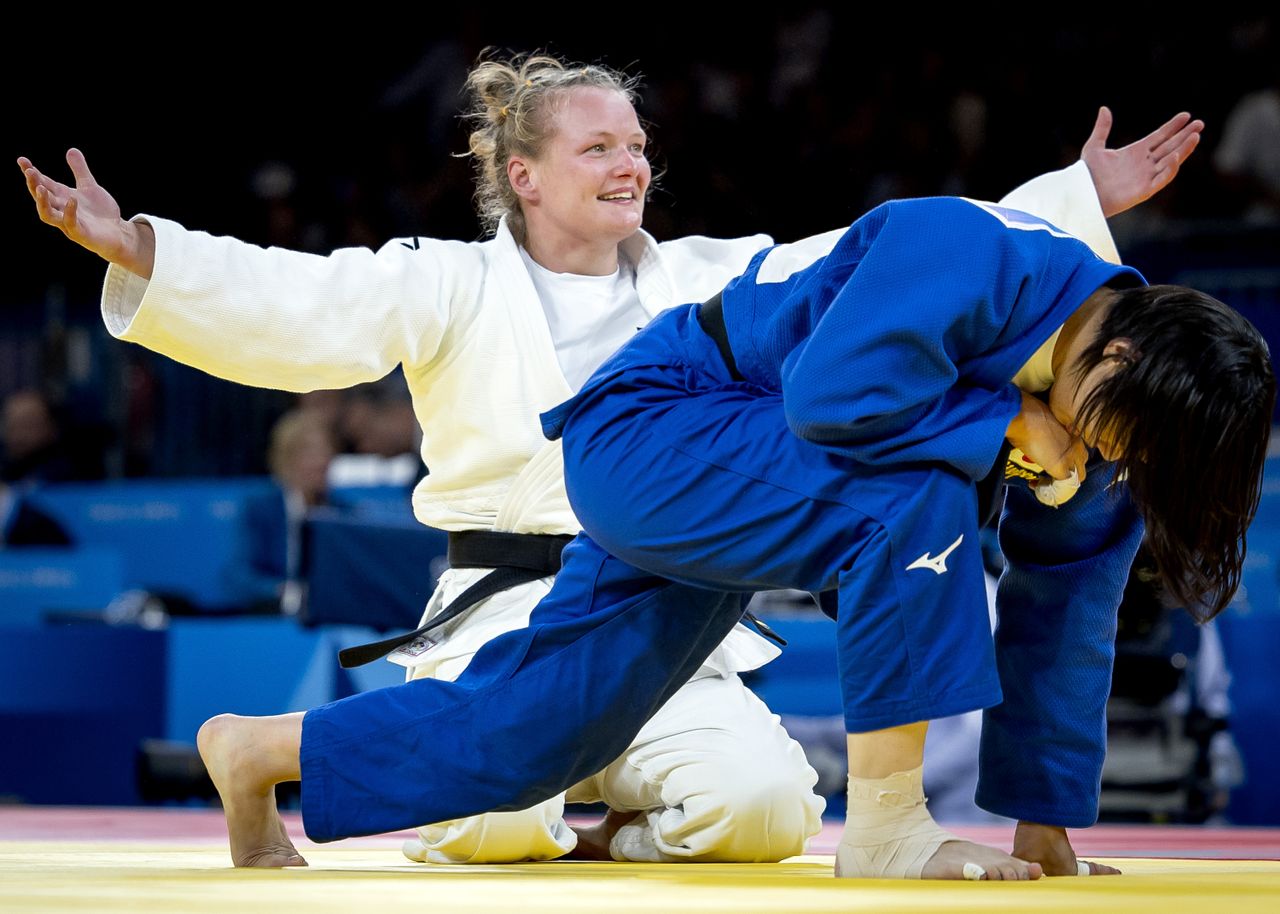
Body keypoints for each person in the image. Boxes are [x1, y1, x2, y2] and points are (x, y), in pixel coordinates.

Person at [19, 52, 1206, 873]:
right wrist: (147, 252)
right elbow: (299, 300)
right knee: (495, 802)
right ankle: (319, 760)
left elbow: (886, 270)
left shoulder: (704, 273)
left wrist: (1068, 206)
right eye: (598, 147)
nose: (630, 163)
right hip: (507, 592)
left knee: (759, 807)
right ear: (521, 175)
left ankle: (597, 823)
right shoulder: (446, 277)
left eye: (638, 144)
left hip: (689, 579)